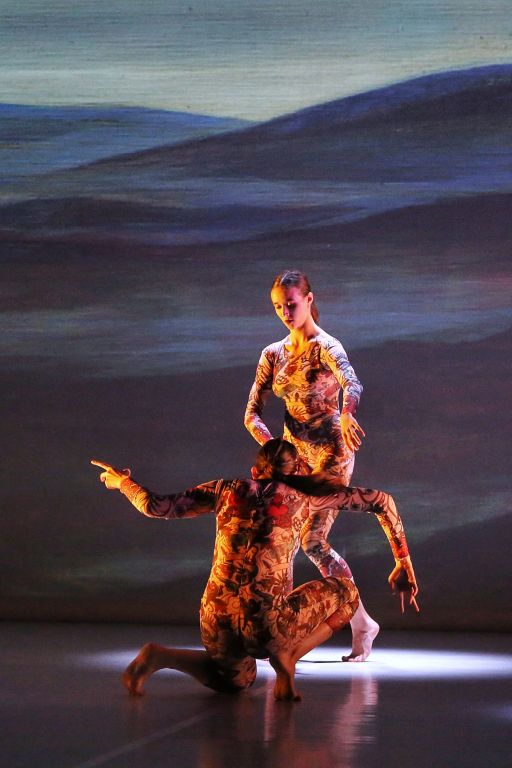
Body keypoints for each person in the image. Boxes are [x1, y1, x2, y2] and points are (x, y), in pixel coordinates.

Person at [91, 439, 418, 702]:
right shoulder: (305, 497)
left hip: (215, 619)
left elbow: (155, 507)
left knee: (236, 681)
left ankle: (160, 656)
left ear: (254, 471)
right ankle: (288, 659)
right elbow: (382, 502)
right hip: (267, 625)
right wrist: (402, 561)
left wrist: (123, 482)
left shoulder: (224, 490)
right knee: (347, 593)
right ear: (297, 470)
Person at [245, 269, 378, 661]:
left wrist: (347, 413)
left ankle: (359, 623)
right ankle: (284, 628)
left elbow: (352, 383)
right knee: (283, 538)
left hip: (332, 452)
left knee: (313, 541)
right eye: (278, 307)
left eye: (291, 304)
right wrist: (275, 451)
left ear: (308, 299)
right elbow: (251, 414)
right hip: (293, 457)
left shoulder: (326, 346)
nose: (285, 313)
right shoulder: (272, 354)